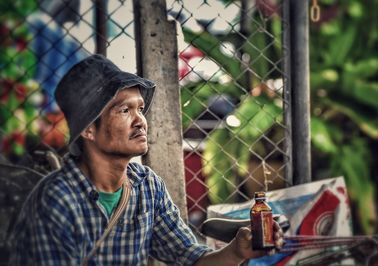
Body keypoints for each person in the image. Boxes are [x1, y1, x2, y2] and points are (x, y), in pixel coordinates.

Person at [9, 54, 284, 265]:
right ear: (88, 129)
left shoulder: (146, 186)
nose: (140, 120)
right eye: (124, 110)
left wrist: (237, 251)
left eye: (140, 108)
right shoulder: (56, 201)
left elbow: (191, 258)